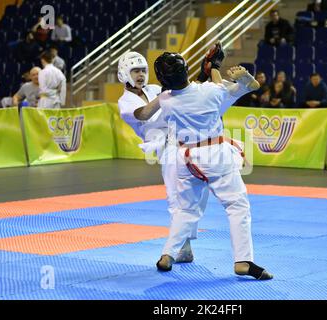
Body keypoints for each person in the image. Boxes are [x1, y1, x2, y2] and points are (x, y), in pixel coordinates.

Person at [134, 51, 273, 280]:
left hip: (184, 158)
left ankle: (167, 254)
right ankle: (243, 261)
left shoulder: (166, 99)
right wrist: (219, 69)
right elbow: (248, 87)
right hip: (214, 154)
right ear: (186, 69)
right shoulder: (210, 90)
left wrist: (145, 99)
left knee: (185, 210)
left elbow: (143, 114)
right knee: (237, 205)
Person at [117, 51, 199, 263]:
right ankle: (184, 246)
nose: (140, 75)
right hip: (166, 146)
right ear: (124, 73)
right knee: (175, 197)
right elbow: (144, 114)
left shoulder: (154, 89)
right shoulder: (125, 102)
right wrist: (165, 94)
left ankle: (184, 245)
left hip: (185, 135)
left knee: (189, 194)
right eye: (135, 71)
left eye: (143, 70)